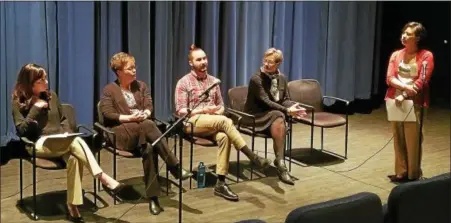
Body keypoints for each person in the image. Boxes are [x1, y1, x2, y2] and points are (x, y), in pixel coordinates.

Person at [12, 63, 123, 223]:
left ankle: (72, 206)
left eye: (46, 79)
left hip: (61, 142)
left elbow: (64, 119)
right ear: (29, 83)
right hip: (38, 144)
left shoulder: (52, 96)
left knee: (74, 157)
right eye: (41, 80)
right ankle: (101, 176)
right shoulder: (18, 102)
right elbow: (21, 130)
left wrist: (65, 133)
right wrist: (35, 109)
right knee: (77, 141)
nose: (46, 83)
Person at [99, 52, 192, 215]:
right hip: (121, 133)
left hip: (142, 132)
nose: (134, 71)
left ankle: (153, 198)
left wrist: (145, 114)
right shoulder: (109, 90)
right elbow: (108, 114)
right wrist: (130, 117)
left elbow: (149, 106)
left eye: (134, 67)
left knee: (149, 147)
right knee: (148, 126)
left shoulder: (141, 86)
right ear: (119, 71)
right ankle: (174, 166)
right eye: (130, 68)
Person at [174, 44, 271, 201]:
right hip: (192, 123)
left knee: (224, 137)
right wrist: (204, 111)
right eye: (199, 59)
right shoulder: (184, 82)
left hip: (213, 122)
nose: (203, 62)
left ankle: (221, 183)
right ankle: (252, 156)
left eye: (205, 58)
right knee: (225, 121)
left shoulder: (213, 81)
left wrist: (215, 111)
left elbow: (221, 106)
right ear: (191, 63)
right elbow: (181, 111)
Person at [244, 48, 307, 185]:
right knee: (280, 115)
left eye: (270, 62)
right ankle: (281, 163)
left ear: (278, 64)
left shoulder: (282, 78)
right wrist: (286, 110)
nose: (266, 64)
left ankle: (280, 162)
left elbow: (285, 99)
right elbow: (266, 101)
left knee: (279, 117)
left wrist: (293, 107)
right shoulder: (256, 79)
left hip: (273, 117)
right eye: (265, 61)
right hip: (255, 117)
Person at [385, 22, 434, 182]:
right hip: (395, 101)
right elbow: (389, 78)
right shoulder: (396, 55)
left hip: (415, 103)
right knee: (398, 138)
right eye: (403, 33)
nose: (404, 36)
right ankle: (401, 172)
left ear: (418, 38)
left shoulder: (426, 55)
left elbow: (422, 80)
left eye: (409, 34)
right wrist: (405, 88)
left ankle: (413, 175)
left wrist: (405, 95)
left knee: (413, 140)